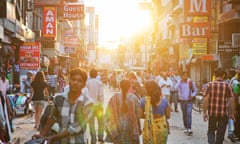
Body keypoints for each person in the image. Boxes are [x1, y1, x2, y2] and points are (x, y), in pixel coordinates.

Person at [33, 68, 94, 144]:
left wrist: (52, 138)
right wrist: (42, 134)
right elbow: (52, 118)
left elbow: (76, 128)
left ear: (84, 85)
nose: (75, 82)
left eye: (79, 81)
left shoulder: (88, 103)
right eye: (73, 79)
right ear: (69, 81)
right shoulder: (59, 99)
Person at [203, 68, 235, 144]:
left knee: (211, 130)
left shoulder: (209, 85)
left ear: (215, 75)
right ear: (223, 75)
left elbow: (206, 99)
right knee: (221, 132)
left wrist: (204, 112)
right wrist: (232, 114)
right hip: (223, 114)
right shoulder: (227, 86)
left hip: (212, 113)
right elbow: (231, 100)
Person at [105, 79, 140, 144]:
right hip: (130, 128)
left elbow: (107, 115)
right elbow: (139, 113)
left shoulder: (113, 98)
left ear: (119, 86)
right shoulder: (133, 98)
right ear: (129, 86)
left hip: (117, 128)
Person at [85, 69, 104, 143]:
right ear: (96, 75)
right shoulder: (99, 83)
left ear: (90, 74)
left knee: (91, 123)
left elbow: (85, 95)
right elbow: (101, 95)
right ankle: (100, 137)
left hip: (89, 106)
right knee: (101, 122)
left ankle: (93, 139)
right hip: (98, 106)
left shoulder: (87, 83)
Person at [0, 71, 12, 143]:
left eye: (4, 74)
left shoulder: (7, 81)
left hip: (3, 98)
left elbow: (7, 90)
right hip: (1, 98)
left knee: (5, 117)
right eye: (2, 74)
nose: (3, 75)